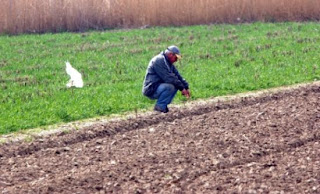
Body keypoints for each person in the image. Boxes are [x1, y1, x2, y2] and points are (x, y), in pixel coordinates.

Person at [142, 45, 190, 113]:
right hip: (151, 88)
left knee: (176, 84)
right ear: (170, 54)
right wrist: (182, 88)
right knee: (171, 86)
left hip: (158, 86)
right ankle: (160, 107)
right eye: (175, 58)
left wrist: (186, 87)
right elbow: (169, 78)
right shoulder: (159, 60)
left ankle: (163, 106)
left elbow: (177, 75)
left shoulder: (168, 62)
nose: (176, 60)